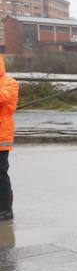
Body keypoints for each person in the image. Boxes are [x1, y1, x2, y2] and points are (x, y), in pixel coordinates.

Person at [0, 56, 18, 221]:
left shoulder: (9, 82)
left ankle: (5, 211)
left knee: (0, 176)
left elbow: (2, 97)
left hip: (1, 137)